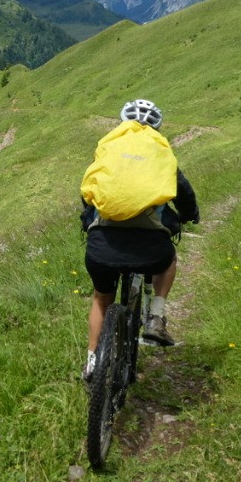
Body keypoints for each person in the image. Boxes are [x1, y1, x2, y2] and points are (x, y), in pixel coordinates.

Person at [80, 99, 200, 383]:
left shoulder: (109, 150)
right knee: (168, 260)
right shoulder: (161, 152)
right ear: (157, 127)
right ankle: (155, 317)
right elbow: (182, 191)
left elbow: (88, 192)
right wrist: (190, 214)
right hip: (151, 250)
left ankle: (92, 363)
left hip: (102, 248)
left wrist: (87, 220)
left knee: (101, 299)